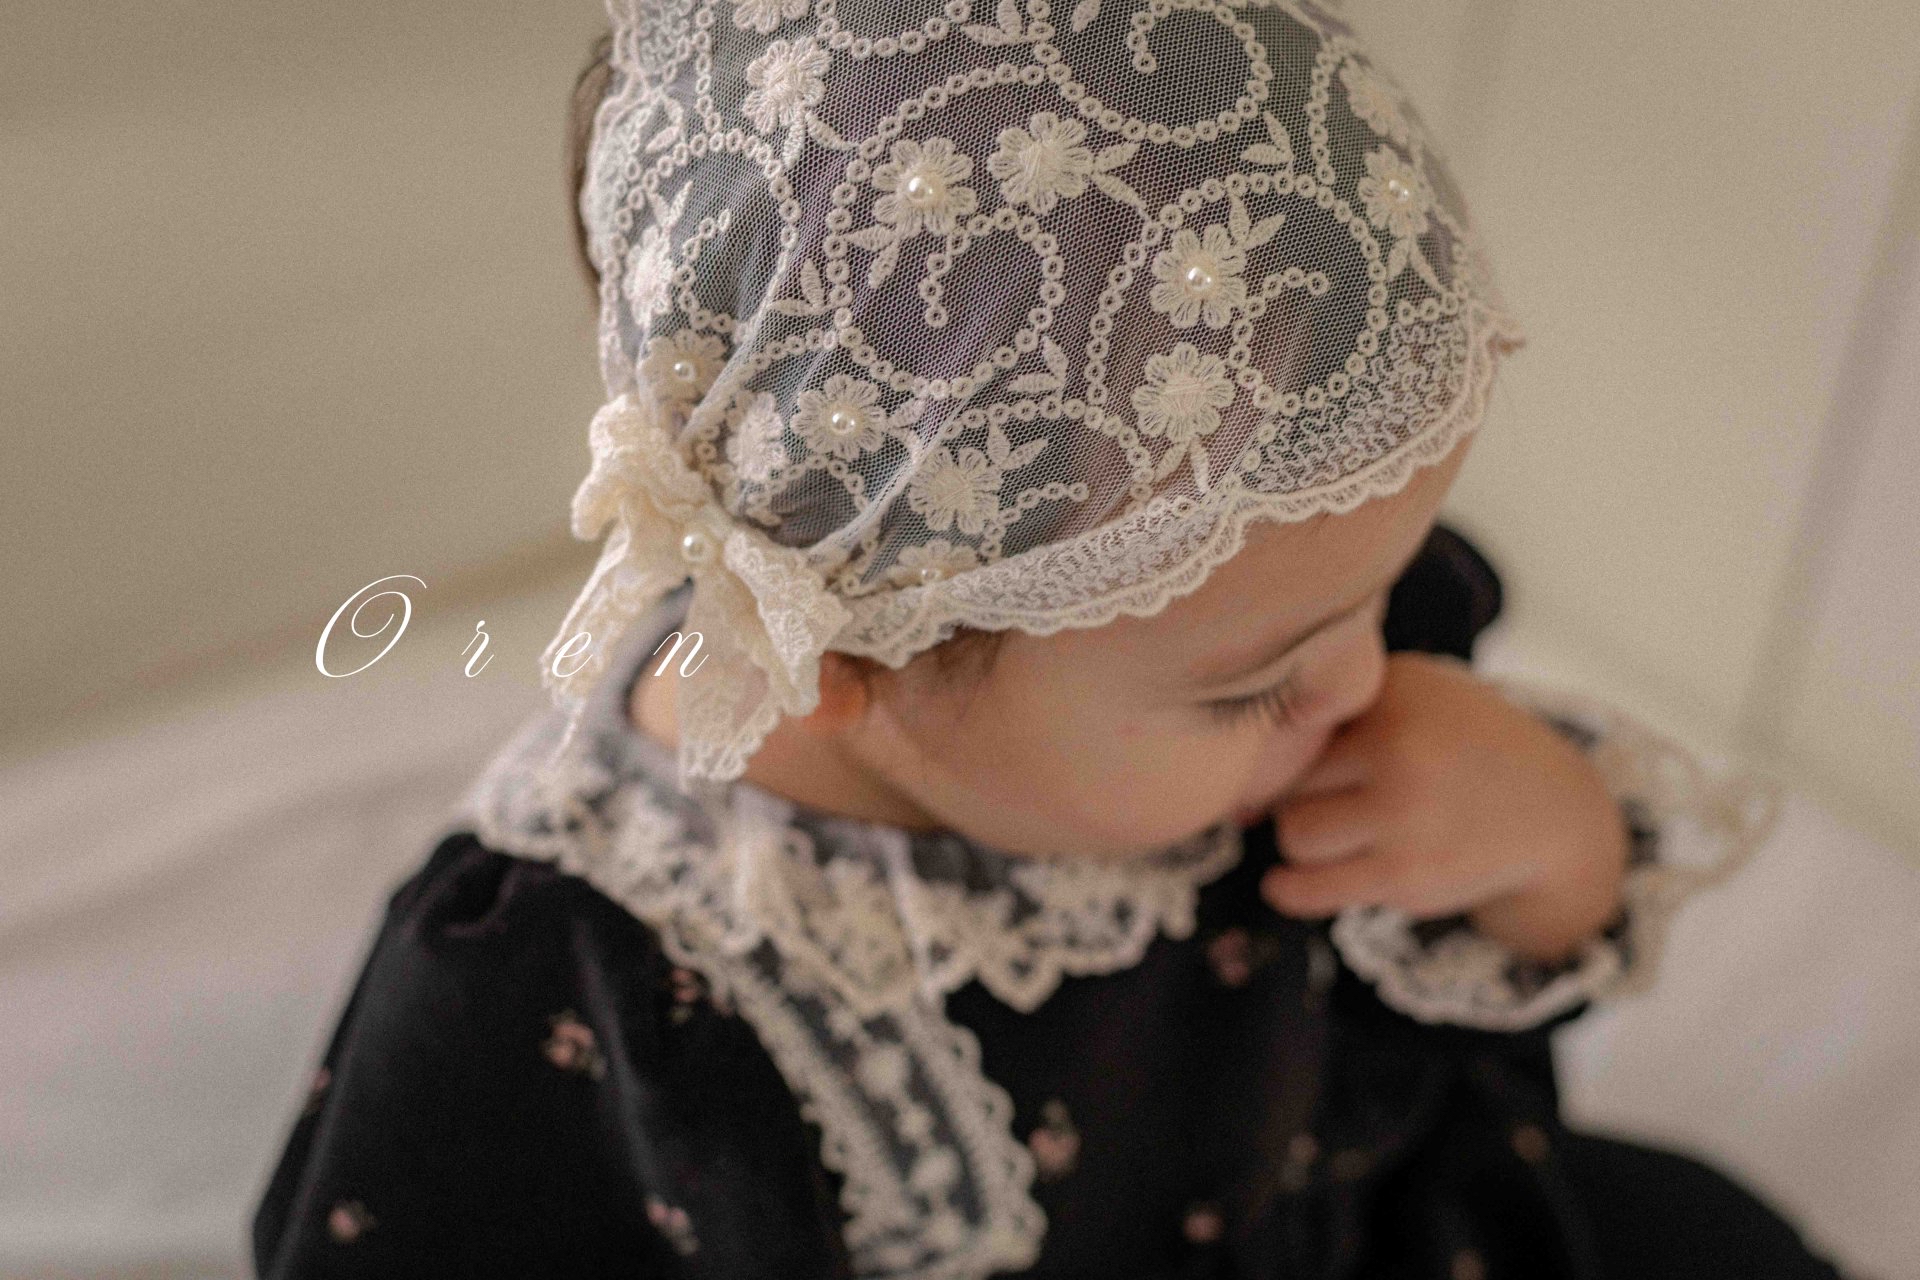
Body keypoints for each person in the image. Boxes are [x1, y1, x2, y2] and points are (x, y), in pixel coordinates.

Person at [252, 2, 1855, 1275]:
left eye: (1380, 594)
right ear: (848, 659)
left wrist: (1549, 853)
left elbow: (1429, 1045)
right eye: (1260, 683)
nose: (1366, 679)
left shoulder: (1251, 678)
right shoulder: (579, 1006)